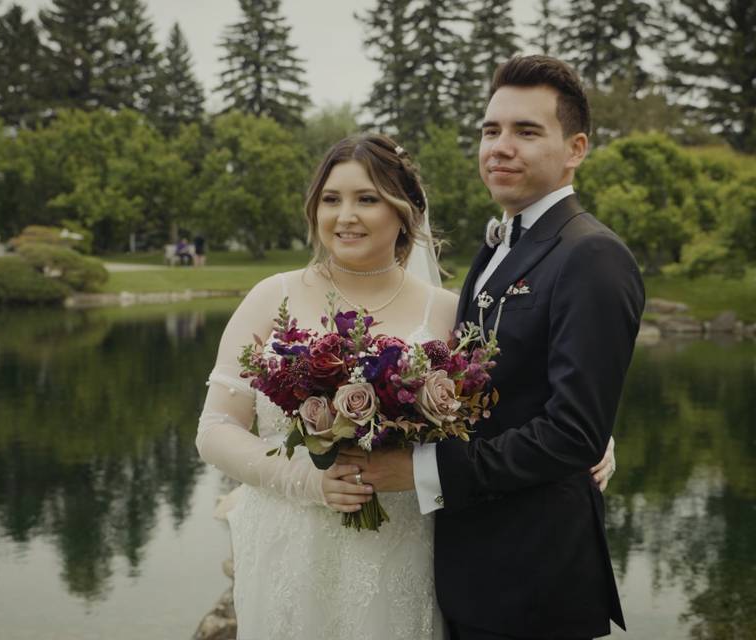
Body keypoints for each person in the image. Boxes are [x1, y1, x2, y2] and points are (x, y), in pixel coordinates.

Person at [196, 132, 617, 639]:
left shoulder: (446, 311)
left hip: (400, 549)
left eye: (366, 199)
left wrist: (599, 440)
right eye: (331, 199)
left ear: (404, 211)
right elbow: (215, 428)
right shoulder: (271, 298)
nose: (345, 215)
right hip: (290, 546)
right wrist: (310, 482)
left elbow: (516, 398)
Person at [336, 56, 643, 639]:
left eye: (527, 132)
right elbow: (506, 390)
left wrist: (419, 469)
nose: (500, 147)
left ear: (575, 148)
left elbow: (572, 433)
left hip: (534, 580)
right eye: (490, 130)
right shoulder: (497, 247)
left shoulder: (592, 256)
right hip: (473, 570)